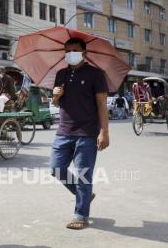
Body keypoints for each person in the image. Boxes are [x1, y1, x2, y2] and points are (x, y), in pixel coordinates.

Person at [51, 38, 109, 230]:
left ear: (84, 52)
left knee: (83, 175)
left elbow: (101, 104)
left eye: (75, 50)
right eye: (67, 50)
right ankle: (85, 195)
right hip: (64, 130)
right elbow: (57, 104)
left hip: (87, 132)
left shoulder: (96, 74)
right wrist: (56, 97)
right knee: (56, 168)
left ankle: (80, 215)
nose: (70, 53)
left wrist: (104, 132)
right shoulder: (61, 74)